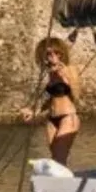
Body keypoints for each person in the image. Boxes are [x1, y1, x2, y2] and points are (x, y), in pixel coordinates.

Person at [28, 37, 81, 166]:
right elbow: (50, 100)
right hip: (52, 120)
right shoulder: (50, 74)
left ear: (62, 54)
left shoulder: (69, 69)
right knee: (56, 160)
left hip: (68, 118)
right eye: (48, 54)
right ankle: (63, 184)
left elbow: (77, 95)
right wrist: (33, 111)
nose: (53, 57)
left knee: (58, 159)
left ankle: (63, 184)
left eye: (56, 53)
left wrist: (65, 77)